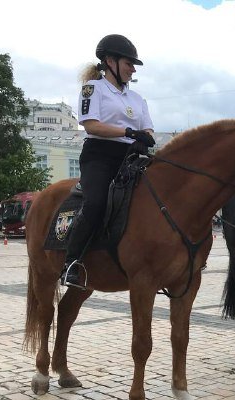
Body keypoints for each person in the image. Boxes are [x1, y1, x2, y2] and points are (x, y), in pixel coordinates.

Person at [62, 34, 156, 288]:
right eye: (129, 63)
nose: (133, 69)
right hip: (100, 156)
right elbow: (91, 126)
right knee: (96, 203)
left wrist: (143, 138)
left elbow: (148, 130)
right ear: (110, 61)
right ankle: (71, 262)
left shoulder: (137, 98)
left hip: (133, 157)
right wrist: (126, 132)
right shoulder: (93, 89)